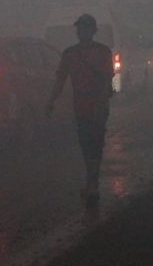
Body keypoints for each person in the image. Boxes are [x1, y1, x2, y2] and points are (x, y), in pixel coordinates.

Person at [46, 14, 114, 206]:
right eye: (79, 29)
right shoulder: (70, 54)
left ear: (92, 31)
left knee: (95, 144)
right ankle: (91, 182)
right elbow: (60, 80)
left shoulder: (103, 52)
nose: (81, 32)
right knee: (87, 145)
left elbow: (107, 81)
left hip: (98, 108)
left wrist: (100, 106)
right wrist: (51, 101)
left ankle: (92, 184)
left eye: (84, 29)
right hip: (81, 108)